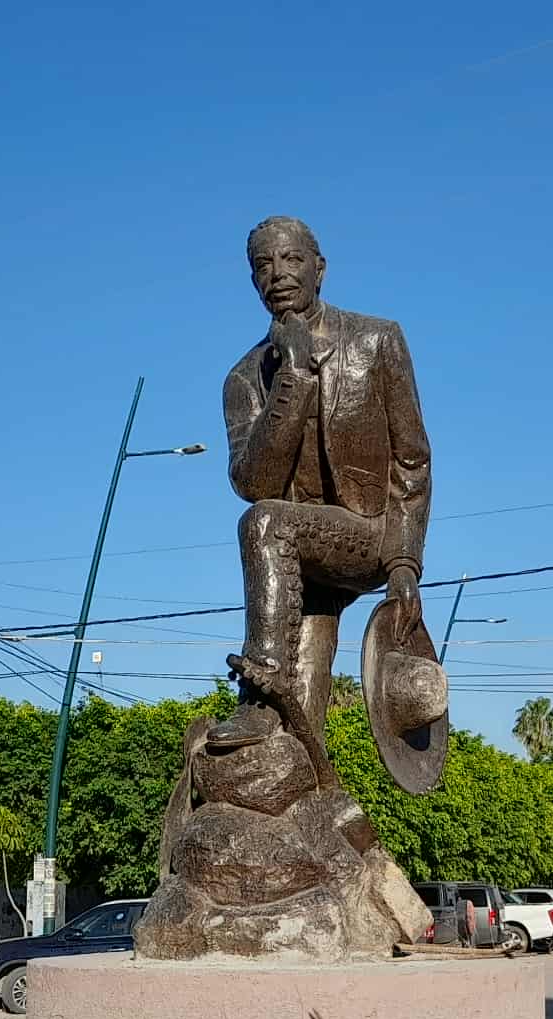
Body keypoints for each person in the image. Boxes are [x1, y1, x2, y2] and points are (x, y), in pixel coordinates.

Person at [209, 215, 432, 750]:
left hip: (369, 533)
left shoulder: (377, 340)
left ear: (320, 269)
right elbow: (254, 480)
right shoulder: (244, 378)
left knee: (265, 522)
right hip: (299, 556)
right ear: (253, 280)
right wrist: (293, 372)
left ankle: (260, 691)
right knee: (299, 713)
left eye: (291, 259)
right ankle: (305, 768)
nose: (277, 273)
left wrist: (404, 564)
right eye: (263, 265)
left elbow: (412, 459)